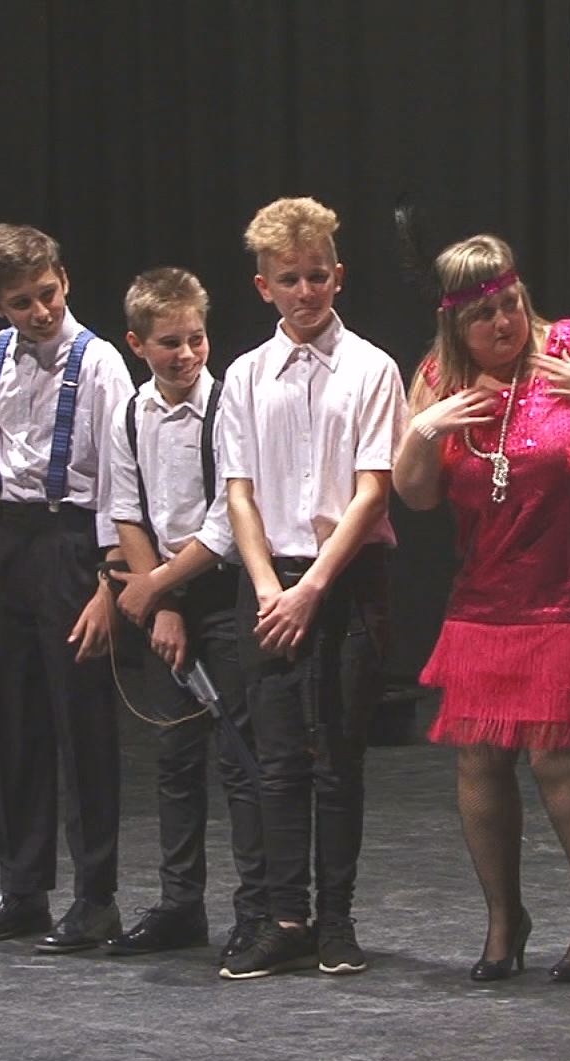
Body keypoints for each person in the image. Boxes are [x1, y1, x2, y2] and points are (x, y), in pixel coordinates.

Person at [392, 235, 570, 982]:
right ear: (455, 323)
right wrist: (425, 430)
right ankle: (505, 919)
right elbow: (415, 494)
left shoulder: (568, 345)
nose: (505, 323)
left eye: (511, 304)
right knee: (479, 755)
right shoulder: (439, 377)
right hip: (490, 594)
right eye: (485, 316)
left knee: (556, 753)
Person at [213, 197, 402, 979]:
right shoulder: (245, 376)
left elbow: (372, 490)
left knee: (338, 758)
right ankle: (285, 916)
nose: (305, 292)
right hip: (270, 586)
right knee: (279, 760)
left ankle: (337, 920)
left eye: (317, 276)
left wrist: (313, 588)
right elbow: (239, 493)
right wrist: (269, 588)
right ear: (264, 286)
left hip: (344, 582)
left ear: (339, 276)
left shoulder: (371, 369)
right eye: (289, 279)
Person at [0, 223, 133, 952]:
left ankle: (95, 897)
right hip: (7, 547)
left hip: (73, 545)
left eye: (47, 293)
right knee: (13, 722)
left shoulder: (101, 364)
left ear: (65, 279)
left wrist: (108, 589)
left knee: (82, 725)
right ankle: (21, 888)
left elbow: (120, 490)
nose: (41, 311)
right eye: (21, 302)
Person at [101, 268, 268, 963]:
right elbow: (125, 510)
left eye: (196, 338)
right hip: (163, 595)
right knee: (174, 757)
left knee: (240, 756)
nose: (187, 354)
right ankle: (180, 904)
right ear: (137, 343)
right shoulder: (129, 415)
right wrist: (161, 604)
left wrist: (160, 589)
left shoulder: (227, 408)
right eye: (170, 343)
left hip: (221, 593)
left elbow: (228, 520)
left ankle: (257, 908)